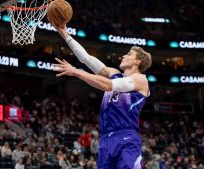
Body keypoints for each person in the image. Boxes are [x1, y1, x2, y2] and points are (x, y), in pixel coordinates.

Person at [50, 22, 152, 169]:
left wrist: (76, 71)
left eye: (129, 54)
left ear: (137, 61)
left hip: (126, 138)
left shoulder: (141, 80)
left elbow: (107, 86)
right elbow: (86, 58)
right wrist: (66, 35)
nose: (123, 55)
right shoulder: (113, 73)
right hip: (105, 139)